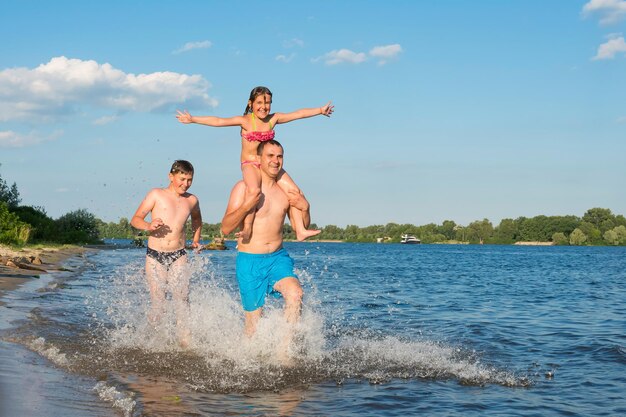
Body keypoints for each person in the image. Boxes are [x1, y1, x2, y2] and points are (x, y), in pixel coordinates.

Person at [176, 86, 332, 243]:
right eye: (259, 103)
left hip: (268, 164)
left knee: (295, 192)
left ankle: (300, 230)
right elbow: (218, 121)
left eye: (268, 103)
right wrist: (193, 119)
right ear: (250, 103)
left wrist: (319, 110)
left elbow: (298, 114)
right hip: (250, 163)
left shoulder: (273, 119)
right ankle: (248, 227)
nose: (264, 107)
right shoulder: (245, 121)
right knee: (254, 191)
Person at [221, 140, 308, 350]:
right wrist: (246, 206)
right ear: (259, 159)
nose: (275, 161)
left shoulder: (286, 192)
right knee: (253, 327)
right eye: (270, 156)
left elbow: (302, 228)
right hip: (250, 261)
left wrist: (305, 207)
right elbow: (225, 228)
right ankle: (248, 361)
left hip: (277, 258)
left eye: (279, 156)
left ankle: (285, 353)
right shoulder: (243, 188)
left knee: (295, 294)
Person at [130, 160, 202, 348]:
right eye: (182, 179)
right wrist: (148, 225)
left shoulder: (192, 200)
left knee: (182, 299)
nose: (185, 184)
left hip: (179, 254)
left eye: (189, 180)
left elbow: (197, 220)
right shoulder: (156, 194)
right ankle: (151, 341)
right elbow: (135, 219)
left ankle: (185, 341)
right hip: (155, 255)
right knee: (159, 303)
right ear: (171, 176)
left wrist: (196, 240)